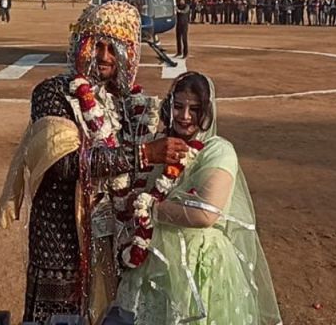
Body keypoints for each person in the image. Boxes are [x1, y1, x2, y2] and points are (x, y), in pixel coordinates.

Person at [0, 1, 190, 324]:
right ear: (79, 46)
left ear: (129, 54)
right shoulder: (53, 93)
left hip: (112, 240)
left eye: (114, 49)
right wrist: (143, 154)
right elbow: (63, 164)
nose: (104, 57)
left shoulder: (127, 104)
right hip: (61, 242)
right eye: (96, 45)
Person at [116, 72, 282, 325]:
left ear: (207, 112)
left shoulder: (218, 151)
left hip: (198, 265)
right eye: (178, 106)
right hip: (157, 261)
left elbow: (205, 214)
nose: (184, 116)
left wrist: (150, 207)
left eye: (194, 109)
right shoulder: (161, 146)